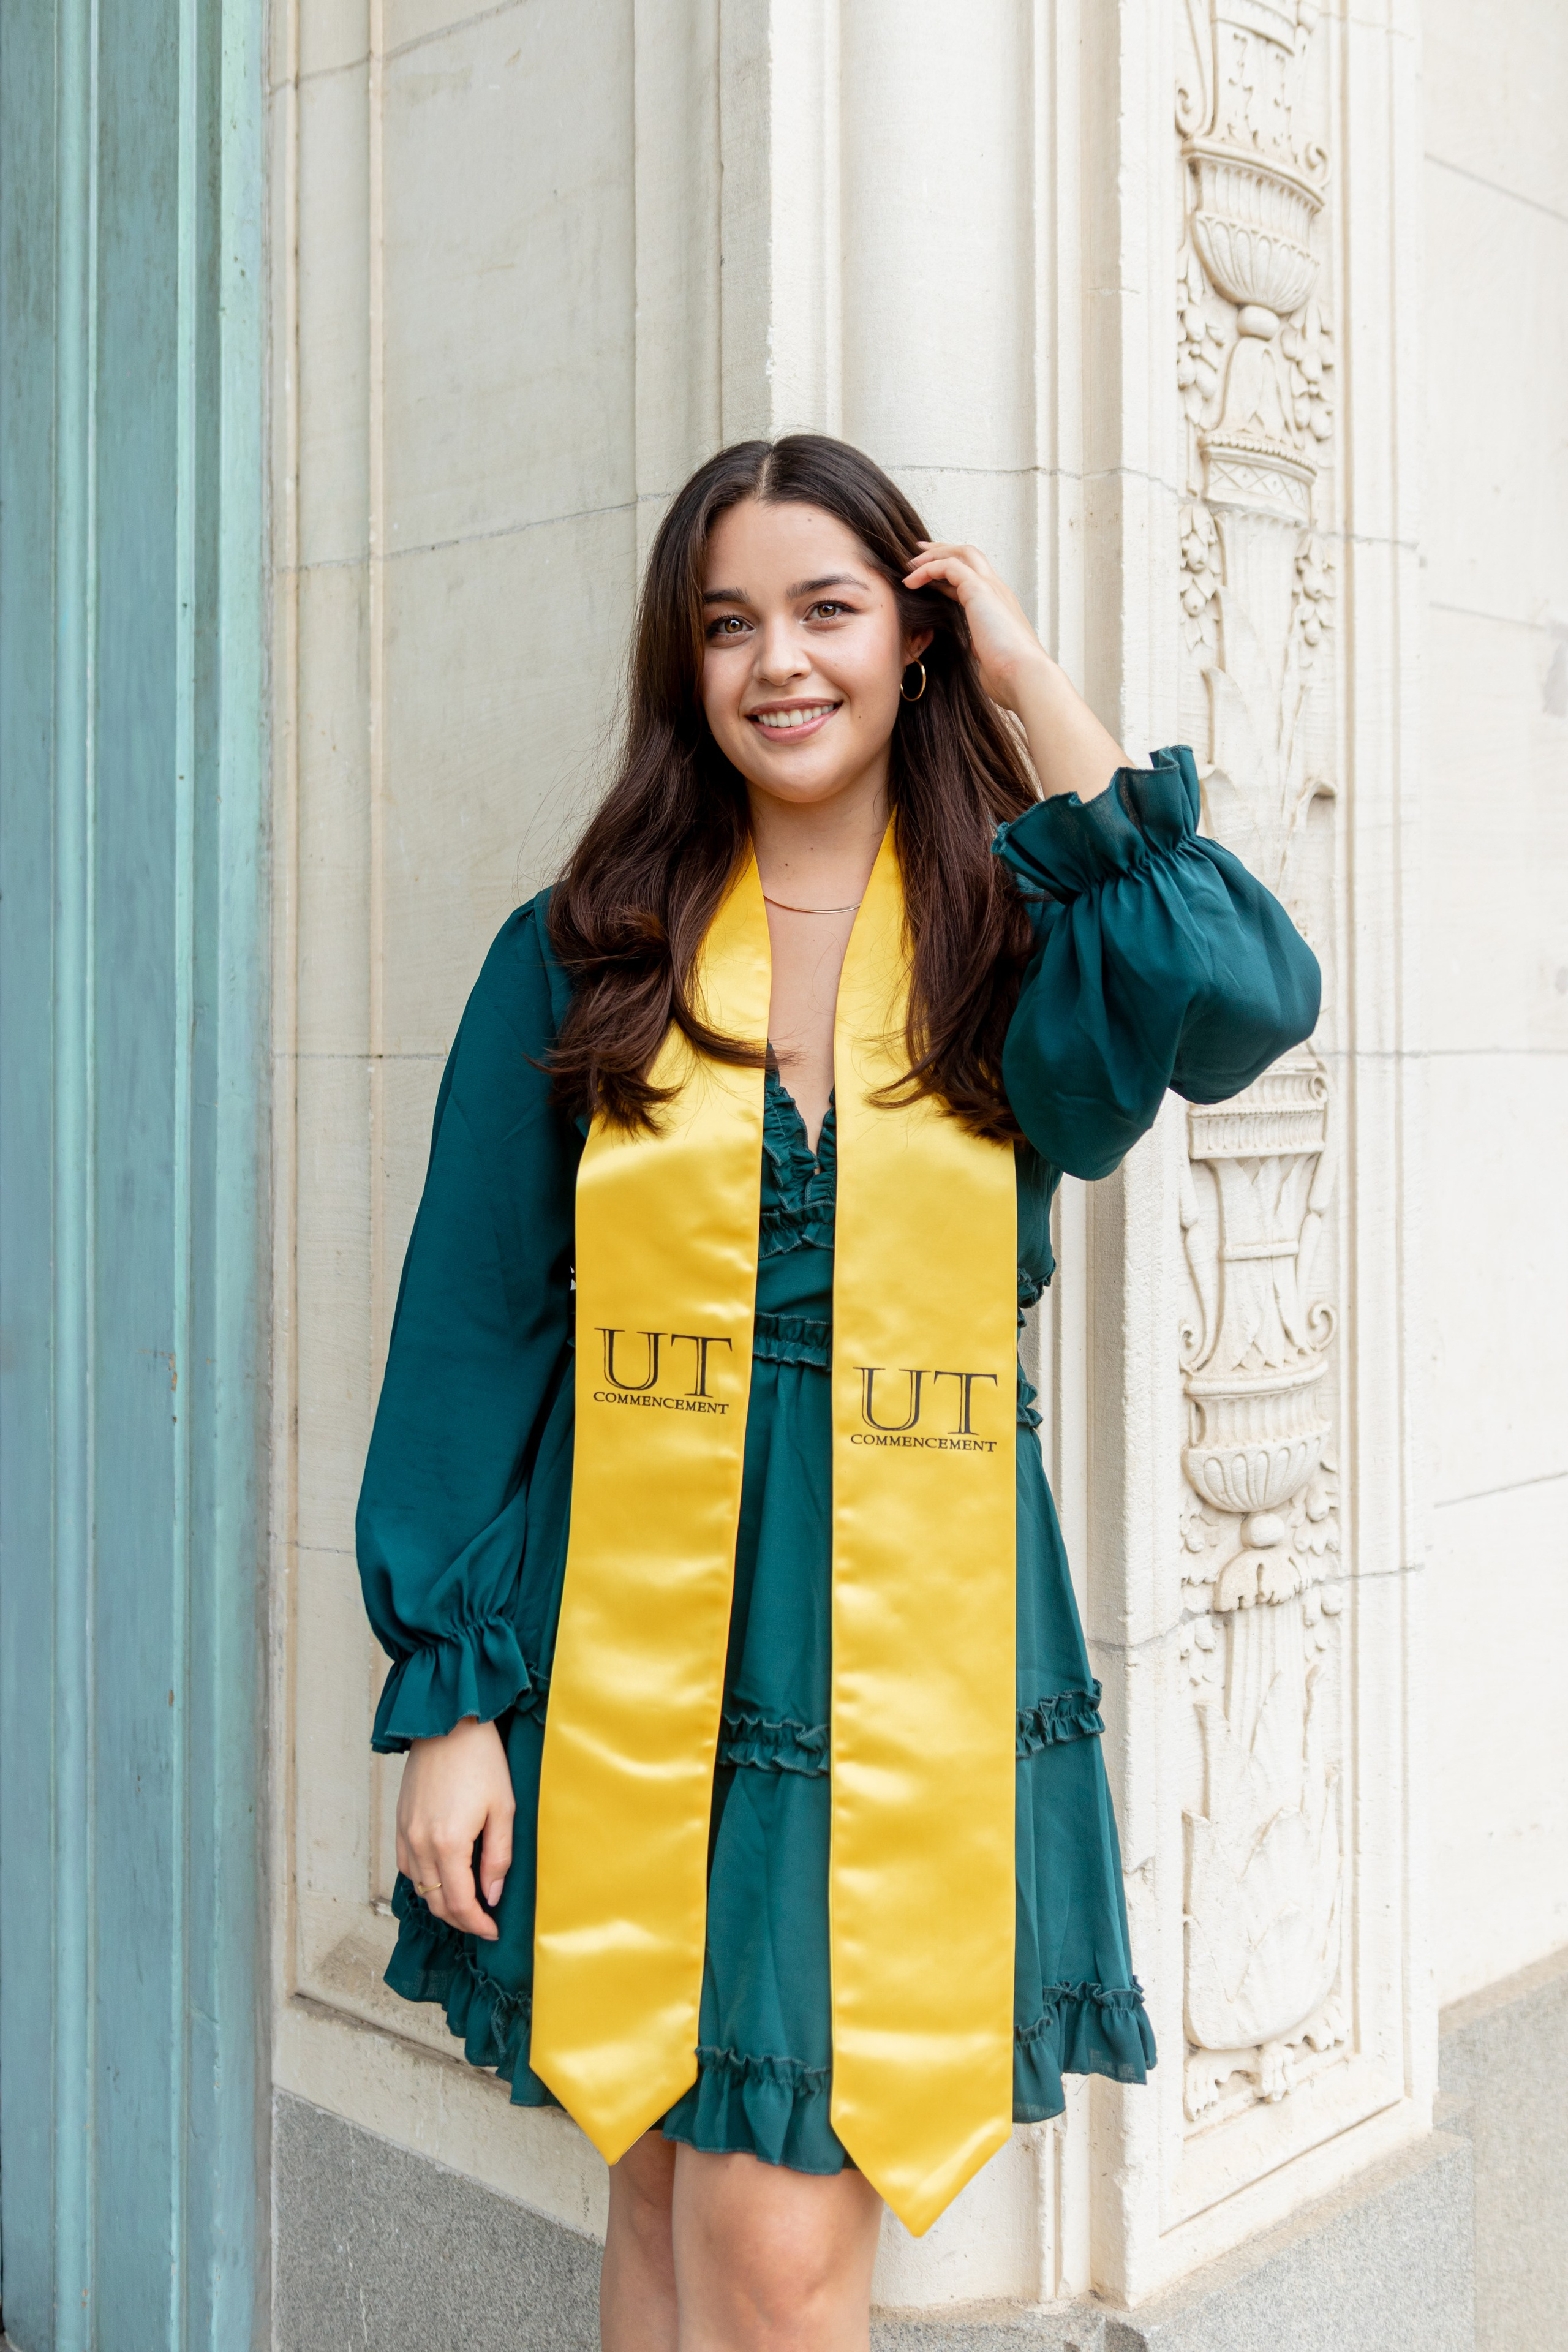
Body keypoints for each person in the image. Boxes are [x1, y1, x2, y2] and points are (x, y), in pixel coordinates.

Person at [356, 434, 1319, 2351]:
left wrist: (1035, 679)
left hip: (899, 1648)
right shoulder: (580, 957)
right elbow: (473, 1336)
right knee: (650, 2192)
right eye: (729, 626)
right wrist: (449, 1706)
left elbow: (1245, 992)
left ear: (913, 639)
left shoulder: (1016, 950)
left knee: (776, 2257)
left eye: (830, 611)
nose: (779, 664)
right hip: (621, 1632)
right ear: (682, 667)